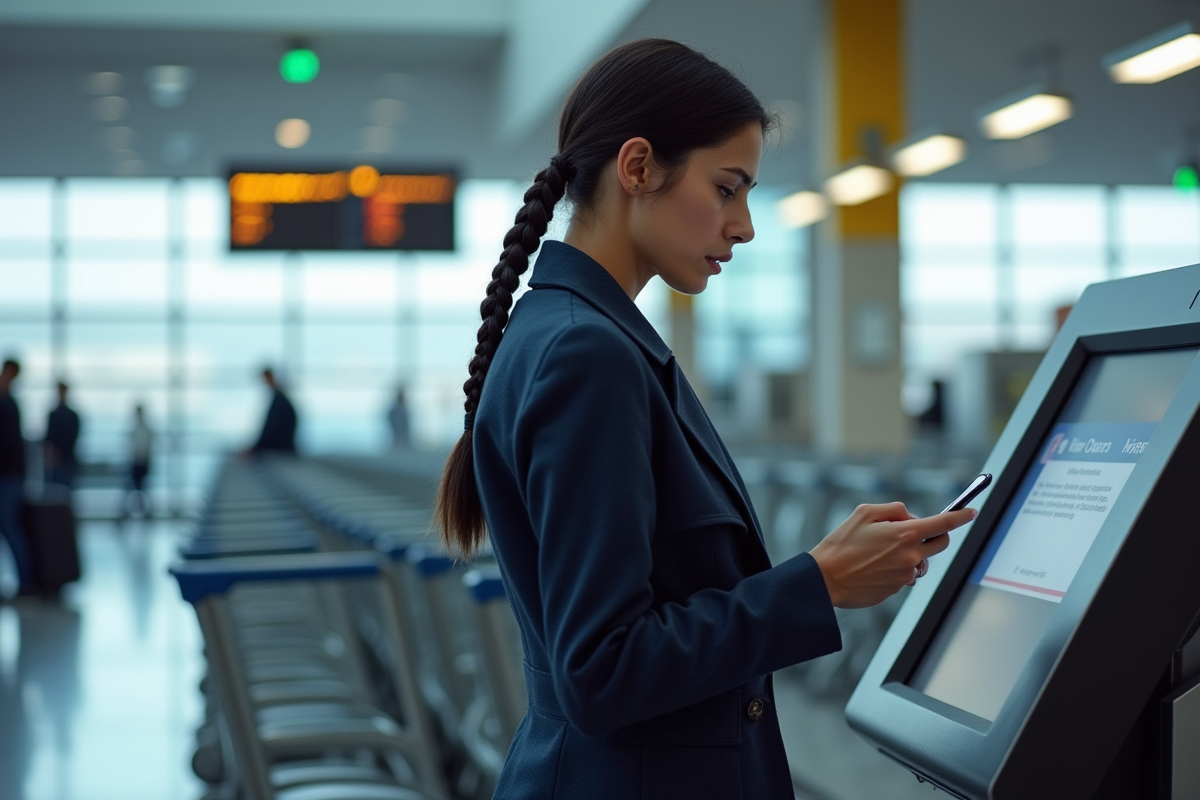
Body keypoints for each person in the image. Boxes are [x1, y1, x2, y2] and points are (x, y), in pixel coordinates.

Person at [435, 40, 976, 800]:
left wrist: (818, 574)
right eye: (728, 189)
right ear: (638, 168)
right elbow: (604, 670)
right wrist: (815, 585)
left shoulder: (569, 333)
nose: (745, 225)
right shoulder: (587, 355)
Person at [0, 358, 35, 598]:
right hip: (10, 475)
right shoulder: (10, 403)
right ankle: (25, 582)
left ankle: (26, 583)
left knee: (11, 528)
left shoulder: (8, 404)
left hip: (7, 476)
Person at [247, 367, 297, 454]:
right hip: (282, 449)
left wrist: (255, 449)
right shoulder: (280, 400)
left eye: (265, 379)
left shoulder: (280, 402)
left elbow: (271, 430)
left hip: (280, 451)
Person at [44, 381, 81, 489]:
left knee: (62, 489)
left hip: (65, 457)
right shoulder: (56, 414)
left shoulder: (70, 415)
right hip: (57, 458)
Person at [124, 404, 154, 518]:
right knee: (138, 489)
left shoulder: (141, 430)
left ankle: (145, 512)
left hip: (140, 462)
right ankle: (141, 511)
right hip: (138, 462)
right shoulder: (142, 429)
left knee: (141, 489)